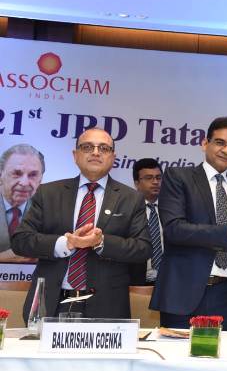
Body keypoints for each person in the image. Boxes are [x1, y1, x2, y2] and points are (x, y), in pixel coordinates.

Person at [12, 128, 151, 321]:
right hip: (51, 303)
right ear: (75, 155)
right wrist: (66, 243)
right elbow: (21, 240)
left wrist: (101, 242)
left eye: (103, 148)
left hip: (107, 307)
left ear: (113, 157)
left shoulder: (131, 199)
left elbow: (143, 248)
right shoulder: (48, 193)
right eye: (87, 147)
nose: (96, 152)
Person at [150, 117, 227, 330]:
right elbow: (174, 229)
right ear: (205, 143)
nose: (226, 150)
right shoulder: (179, 177)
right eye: (220, 142)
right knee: (179, 351)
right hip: (183, 293)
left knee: (222, 352)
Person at [0, 144, 45, 262]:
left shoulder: (48, 208)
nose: (24, 183)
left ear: (40, 179)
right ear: (1, 175)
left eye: (33, 175)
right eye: (17, 173)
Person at [129, 158, 164, 285]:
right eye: (149, 178)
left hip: (167, 281)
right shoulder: (128, 209)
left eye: (158, 178)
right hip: (136, 280)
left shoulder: (172, 209)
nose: (155, 182)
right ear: (136, 183)